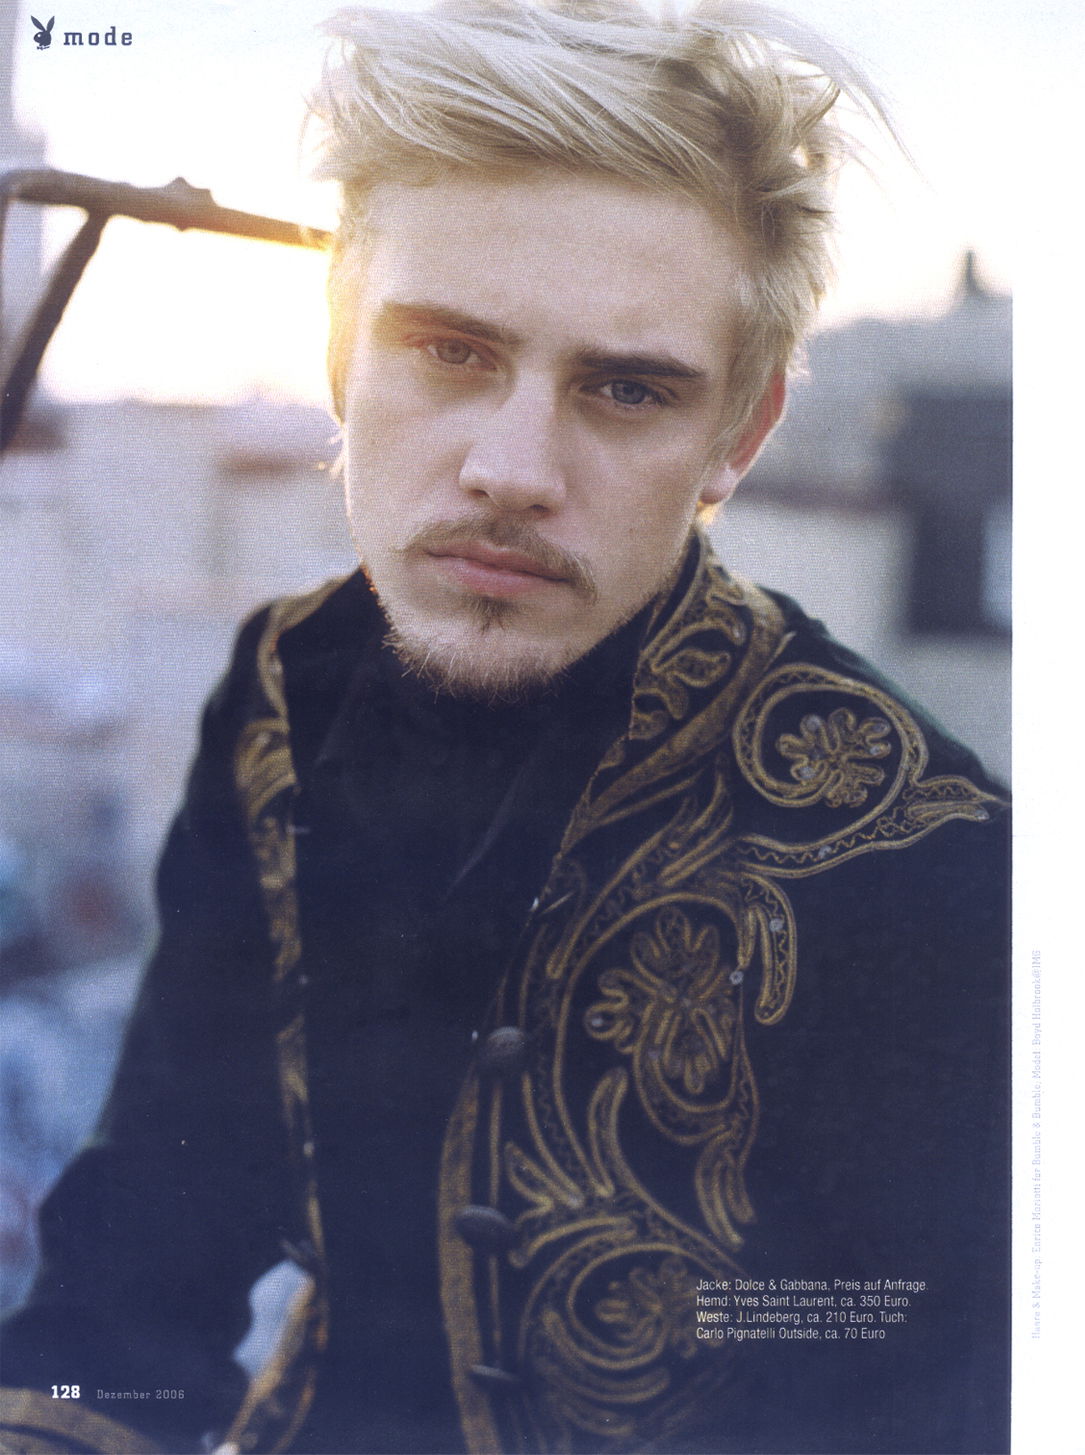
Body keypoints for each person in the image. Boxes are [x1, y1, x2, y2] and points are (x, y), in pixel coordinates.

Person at [0, 2, 1009, 1453]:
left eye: (626, 388)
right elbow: (147, 1254)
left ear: (736, 438)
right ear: (341, 353)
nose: (512, 469)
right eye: (449, 351)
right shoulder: (283, 685)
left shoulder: (931, 860)